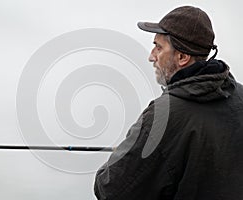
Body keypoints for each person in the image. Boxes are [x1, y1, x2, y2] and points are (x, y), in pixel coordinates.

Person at [94, 5, 243, 200]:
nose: (151, 56)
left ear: (182, 57)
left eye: (159, 47)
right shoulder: (240, 95)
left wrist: (124, 153)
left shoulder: (163, 117)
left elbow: (110, 189)